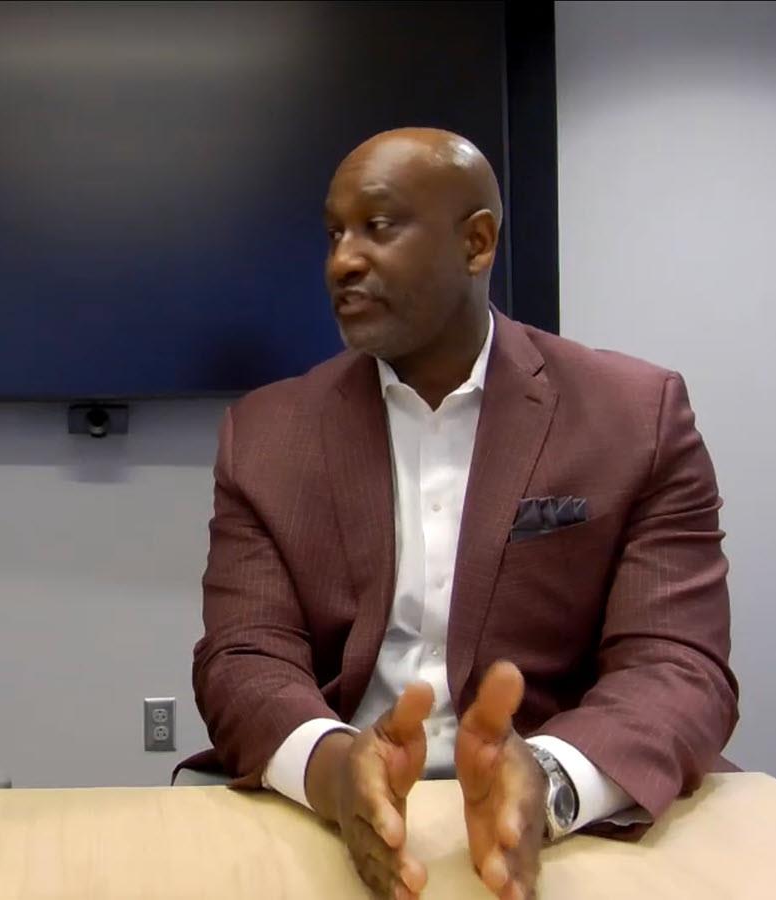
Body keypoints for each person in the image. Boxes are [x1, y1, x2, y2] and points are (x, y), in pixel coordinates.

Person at [188, 128, 737, 899]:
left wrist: (546, 783)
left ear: (477, 243)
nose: (343, 260)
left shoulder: (633, 416)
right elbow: (243, 659)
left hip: (572, 825)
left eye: (378, 227)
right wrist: (336, 767)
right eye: (335, 233)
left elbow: (678, 664)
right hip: (330, 819)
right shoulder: (268, 434)